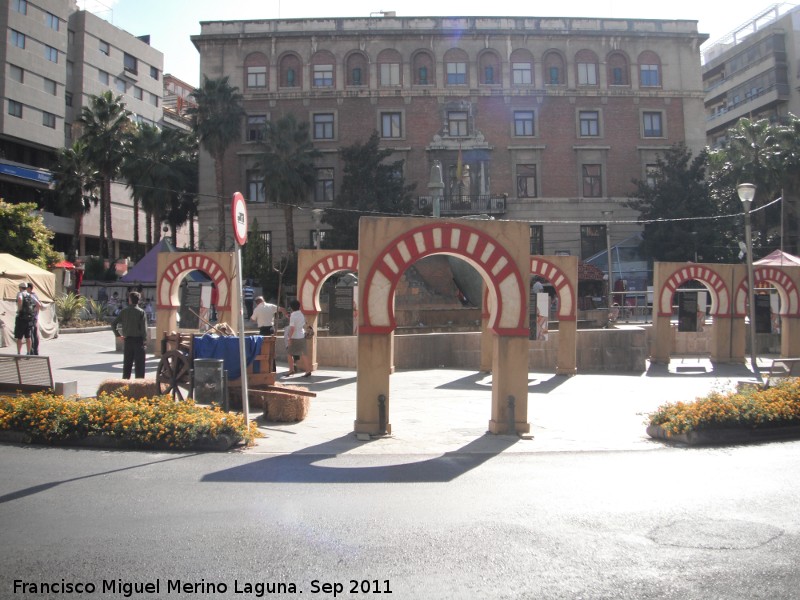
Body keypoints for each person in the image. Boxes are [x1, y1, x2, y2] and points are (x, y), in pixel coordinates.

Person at [111, 291, 148, 379]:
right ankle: (139, 386)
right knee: (139, 366)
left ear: (129, 300)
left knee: (127, 365)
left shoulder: (124, 311)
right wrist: (145, 340)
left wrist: (118, 335)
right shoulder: (141, 312)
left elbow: (113, 324)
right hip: (138, 341)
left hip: (127, 340)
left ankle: (125, 386)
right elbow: (144, 329)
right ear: (138, 300)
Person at [286, 299, 311, 378]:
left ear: (291, 307)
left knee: (289, 353)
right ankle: (308, 370)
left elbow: (292, 328)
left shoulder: (293, 315)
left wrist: (289, 338)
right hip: (302, 336)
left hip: (295, 337)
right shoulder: (301, 314)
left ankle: (291, 369)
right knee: (304, 354)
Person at [14, 282, 35, 355]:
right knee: (28, 336)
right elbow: (35, 304)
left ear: (20, 287)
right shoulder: (30, 295)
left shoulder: (20, 293)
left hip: (21, 317)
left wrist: (19, 309)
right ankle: (28, 352)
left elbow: (19, 299)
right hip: (29, 318)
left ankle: (19, 353)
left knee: (19, 337)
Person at [26, 283, 43, 355]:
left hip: (33, 318)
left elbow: (39, 305)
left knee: (32, 334)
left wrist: (33, 312)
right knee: (34, 334)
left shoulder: (31, 296)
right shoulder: (34, 295)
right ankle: (35, 350)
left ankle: (33, 350)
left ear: (29, 288)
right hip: (34, 317)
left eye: (26, 288)